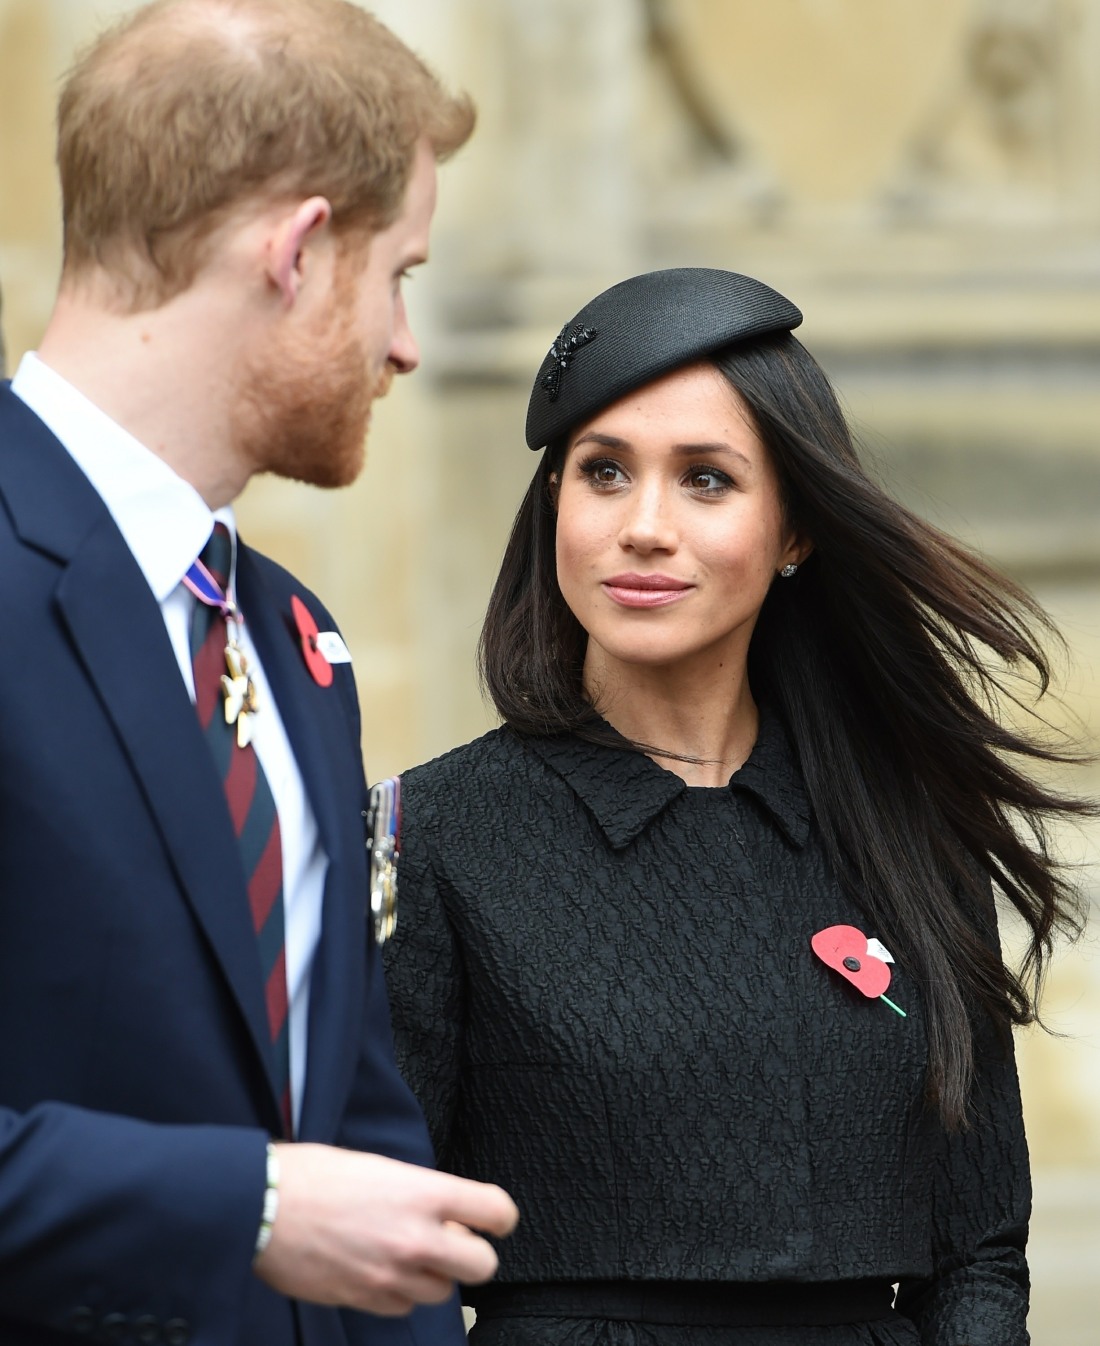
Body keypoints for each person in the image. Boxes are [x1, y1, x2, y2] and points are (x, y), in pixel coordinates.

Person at [382, 267, 1090, 1346]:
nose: (643, 526)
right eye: (602, 471)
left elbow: (978, 1251)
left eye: (705, 479)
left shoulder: (902, 829)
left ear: (795, 530)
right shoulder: (435, 834)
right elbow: (386, 1252)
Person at [0, 2, 518, 1344]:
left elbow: (356, 1128)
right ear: (297, 251)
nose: (405, 344)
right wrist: (247, 1204)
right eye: (398, 273)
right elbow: (295, 1192)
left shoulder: (293, 644)